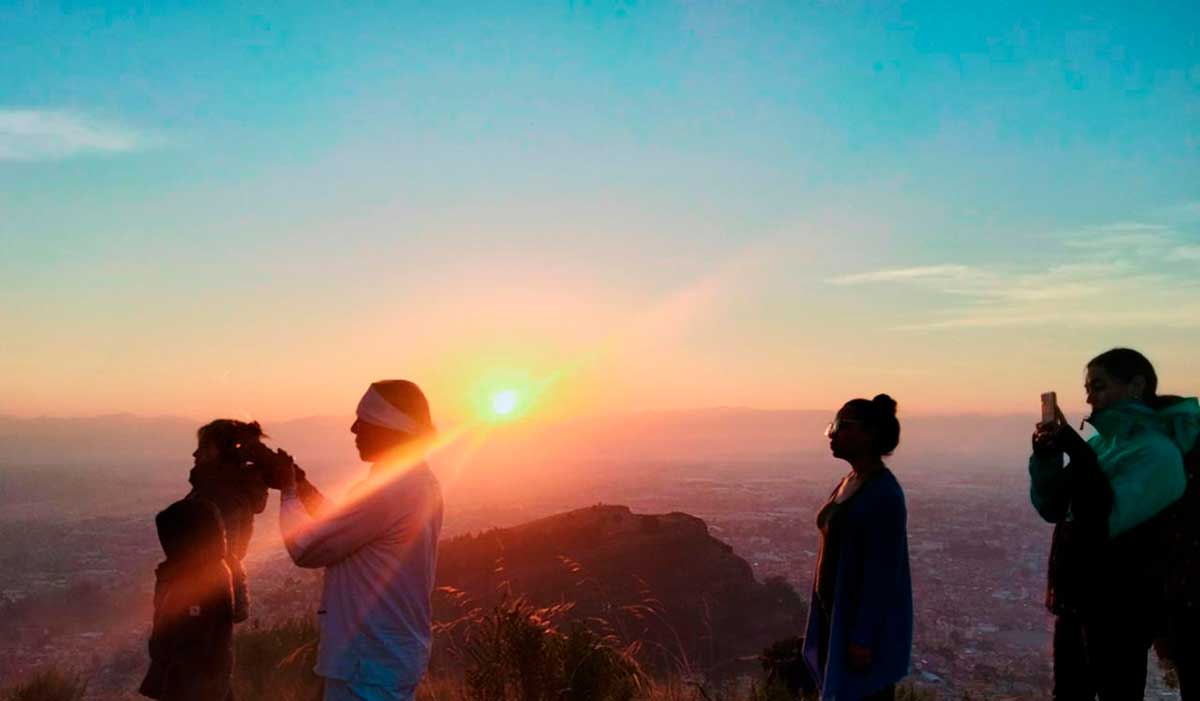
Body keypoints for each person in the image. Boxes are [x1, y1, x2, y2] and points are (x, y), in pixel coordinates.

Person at [1030, 347, 1197, 699]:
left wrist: (1077, 450)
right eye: (1088, 388)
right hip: (1078, 601)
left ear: (1136, 386)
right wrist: (1046, 457)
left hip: (1122, 609)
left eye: (1099, 386)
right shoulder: (1102, 444)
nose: (1089, 397)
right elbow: (1052, 507)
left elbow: (1102, 520)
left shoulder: (1158, 454)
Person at [268, 380, 444, 701]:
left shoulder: (391, 488)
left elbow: (307, 548)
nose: (353, 429)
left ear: (388, 427)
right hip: (383, 658)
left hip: (369, 662)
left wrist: (289, 491)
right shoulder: (413, 481)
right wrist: (304, 488)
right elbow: (349, 530)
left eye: (363, 422)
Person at [802, 394, 913, 701]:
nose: (832, 434)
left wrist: (862, 638)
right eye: (832, 426)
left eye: (842, 425)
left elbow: (883, 573)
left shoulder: (884, 493)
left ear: (870, 434)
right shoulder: (850, 481)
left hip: (857, 634)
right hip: (835, 621)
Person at [138, 498, 236, 701]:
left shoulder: (201, 580)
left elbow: (192, 644)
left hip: (191, 686)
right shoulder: (200, 571)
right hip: (196, 682)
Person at [186, 419, 273, 623]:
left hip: (207, 603)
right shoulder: (217, 490)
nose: (195, 454)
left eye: (203, 448)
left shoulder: (220, 496)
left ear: (219, 453)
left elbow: (224, 555)